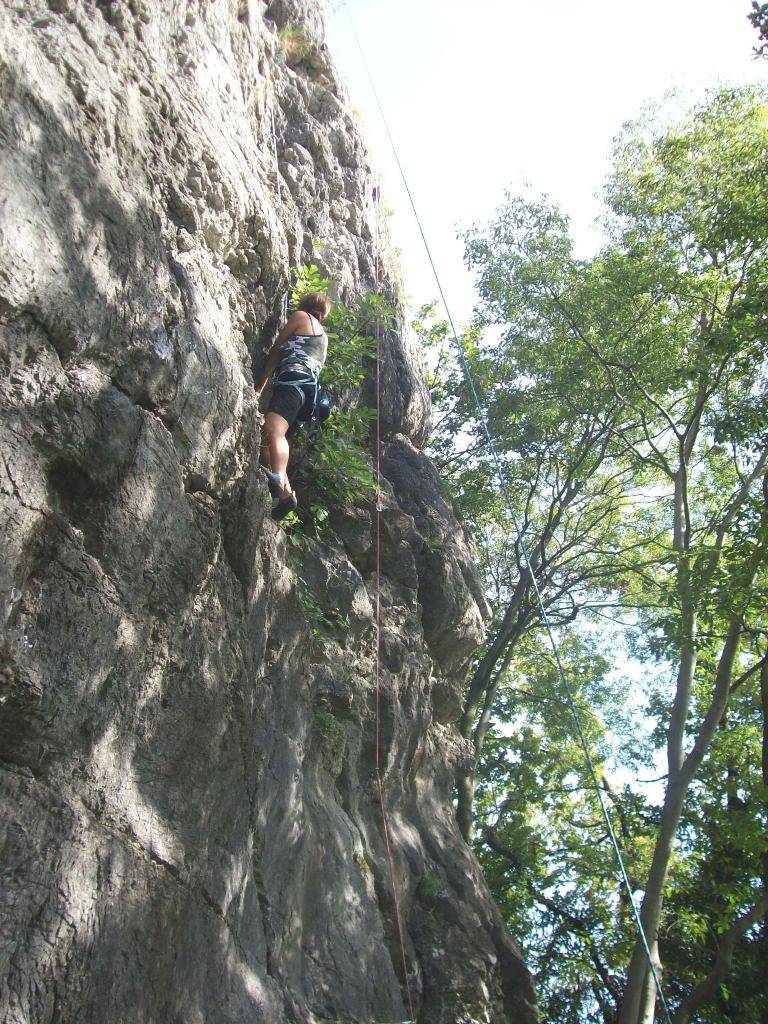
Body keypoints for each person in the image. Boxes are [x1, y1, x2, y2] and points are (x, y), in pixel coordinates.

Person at [256, 291, 331, 520]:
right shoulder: (323, 338)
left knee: (273, 430)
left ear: (305, 305)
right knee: (266, 443)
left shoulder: (301, 317)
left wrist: (261, 385)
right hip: (308, 394)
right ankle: (287, 495)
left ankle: (278, 478)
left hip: (293, 380)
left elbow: (277, 349)